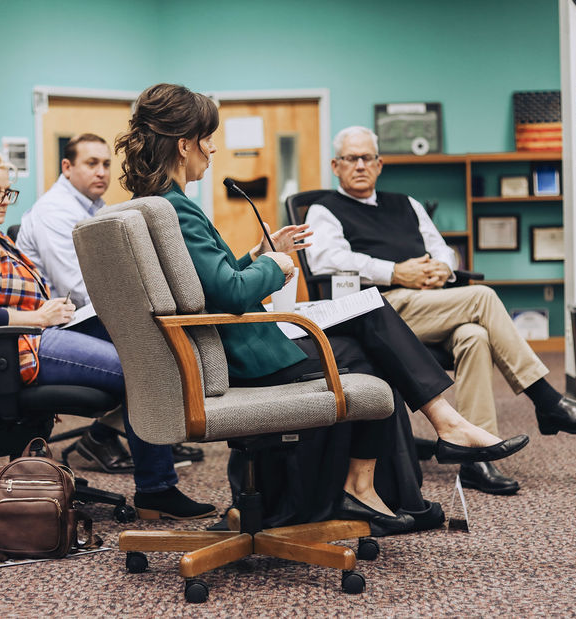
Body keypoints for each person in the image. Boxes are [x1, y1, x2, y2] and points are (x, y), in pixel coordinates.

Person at [115, 83, 529, 535]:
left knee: (365, 324)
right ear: (184, 143)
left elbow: (202, 288)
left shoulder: (154, 207)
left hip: (213, 351)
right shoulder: (178, 210)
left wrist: (255, 257)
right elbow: (232, 296)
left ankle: (397, 463)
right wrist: (276, 266)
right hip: (241, 359)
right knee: (372, 340)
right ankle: (390, 468)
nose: (212, 149)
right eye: (208, 137)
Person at [304, 125, 576, 495]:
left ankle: (475, 458)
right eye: (350, 159)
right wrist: (394, 271)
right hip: (377, 310)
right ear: (335, 165)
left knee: (474, 335)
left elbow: (442, 249)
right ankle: (547, 401)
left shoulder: (407, 203)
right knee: (481, 296)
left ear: (380, 163)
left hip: (426, 304)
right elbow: (325, 258)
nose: (359, 165)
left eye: (367, 158)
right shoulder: (323, 210)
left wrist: (442, 269)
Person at [0, 135, 214, 520]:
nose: (2, 200)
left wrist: (45, 310)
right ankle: (157, 489)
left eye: (6, 191)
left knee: (144, 354)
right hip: (16, 352)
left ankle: (152, 481)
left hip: (30, 342)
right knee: (143, 369)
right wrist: (40, 317)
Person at [17, 133, 203, 473]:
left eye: (105, 163)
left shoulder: (94, 208)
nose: (101, 171)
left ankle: (111, 436)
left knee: (170, 340)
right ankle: (154, 473)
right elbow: (77, 289)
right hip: (59, 323)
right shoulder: (53, 211)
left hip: (84, 316)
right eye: (91, 164)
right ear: (67, 166)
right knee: (152, 357)